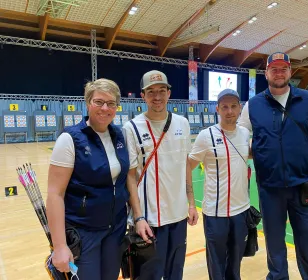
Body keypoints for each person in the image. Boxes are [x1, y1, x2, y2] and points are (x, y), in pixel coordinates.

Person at [238, 52, 308, 280]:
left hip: (303, 186)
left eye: (283, 69)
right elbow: (239, 141)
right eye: (274, 69)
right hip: (269, 188)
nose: (279, 73)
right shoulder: (252, 105)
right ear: (266, 73)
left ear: (290, 72)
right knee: (274, 244)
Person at [46, 78, 131, 279]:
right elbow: (54, 194)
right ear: (87, 103)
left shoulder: (118, 135)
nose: (105, 108)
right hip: (84, 232)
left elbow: (125, 180)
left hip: (115, 229)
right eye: (99, 102)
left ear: (117, 107)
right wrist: (59, 246)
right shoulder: (70, 139)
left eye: (111, 103)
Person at [122, 70, 199, 280]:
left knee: (176, 273)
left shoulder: (182, 123)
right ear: (143, 96)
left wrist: (191, 204)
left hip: (178, 216)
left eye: (162, 90)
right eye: (151, 92)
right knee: (148, 275)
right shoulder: (131, 128)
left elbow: (185, 166)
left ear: (169, 93)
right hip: (149, 219)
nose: (157, 96)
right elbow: (130, 176)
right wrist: (138, 217)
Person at [188, 89, 251, 280]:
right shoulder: (205, 136)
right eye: (225, 107)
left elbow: (249, 155)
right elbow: (187, 167)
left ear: (240, 108)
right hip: (216, 214)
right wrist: (191, 203)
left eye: (233, 106)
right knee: (217, 266)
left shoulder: (245, 133)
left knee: (236, 263)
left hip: (241, 211)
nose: (229, 111)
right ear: (217, 109)